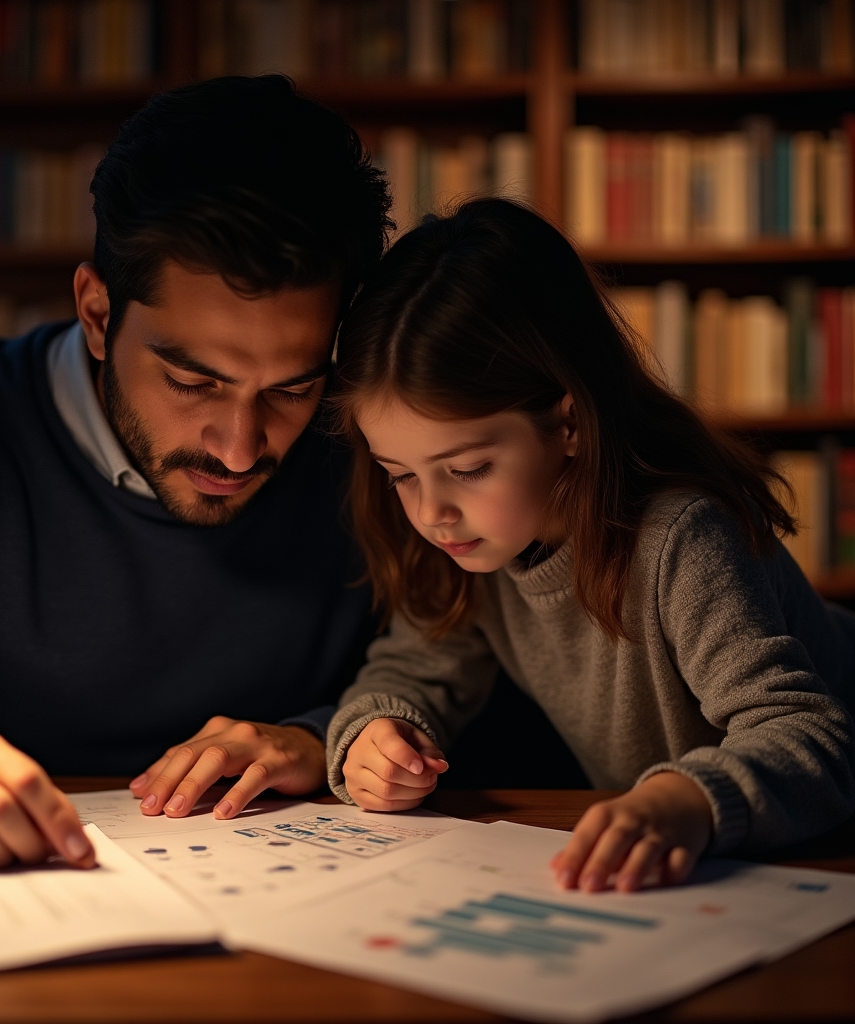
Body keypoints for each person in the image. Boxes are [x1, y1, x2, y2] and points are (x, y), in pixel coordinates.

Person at [0, 76, 391, 871]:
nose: (239, 448)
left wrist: (323, 735)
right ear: (97, 314)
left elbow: (477, 680)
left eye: (293, 387)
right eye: (193, 381)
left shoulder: (379, 438)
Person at [325, 199, 855, 893]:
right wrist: (377, 732)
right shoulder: (472, 544)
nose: (431, 512)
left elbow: (811, 736)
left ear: (567, 423)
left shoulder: (682, 539)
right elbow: (411, 670)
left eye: (468, 469)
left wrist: (687, 801)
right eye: (398, 475)